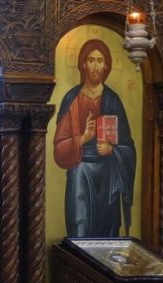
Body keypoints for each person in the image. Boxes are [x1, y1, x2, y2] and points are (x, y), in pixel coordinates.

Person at [53, 38, 137, 237]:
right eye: (91, 60)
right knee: (80, 227)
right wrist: (83, 138)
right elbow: (59, 149)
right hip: (80, 170)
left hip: (108, 173)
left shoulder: (113, 100)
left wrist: (112, 150)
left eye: (100, 61)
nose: (96, 66)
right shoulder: (72, 98)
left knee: (106, 234)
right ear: (83, 64)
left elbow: (128, 147)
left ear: (106, 66)